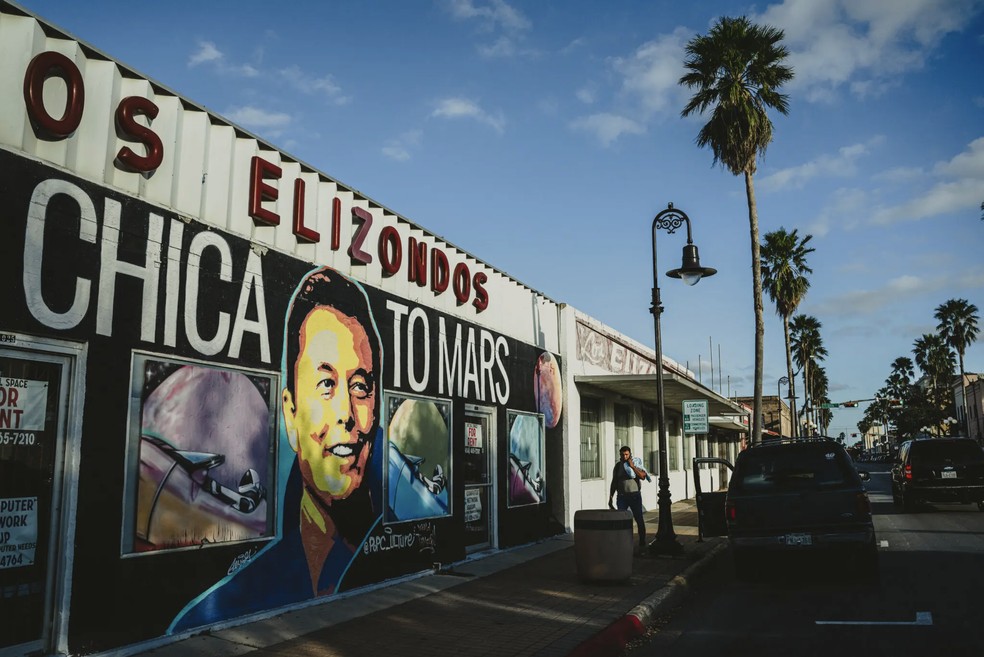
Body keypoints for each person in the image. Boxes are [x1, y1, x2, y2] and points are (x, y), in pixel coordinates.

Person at [170, 266, 384, 631]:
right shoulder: (229, 602)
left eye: (360, 387)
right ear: (290, 414)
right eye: (326, 384)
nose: (347, 414)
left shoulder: (385, 546)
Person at [608, 446, 648, 554]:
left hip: (634, 496)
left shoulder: (635, 463)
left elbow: (643, 476)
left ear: (630, 454)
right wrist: (610, 497)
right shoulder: (618, 466)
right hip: (622, 496)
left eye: (626, 454)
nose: (624, 456)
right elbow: (614, 482)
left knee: (638, 518)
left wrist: (633, 467)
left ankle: (642, 541)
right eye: (622, 454)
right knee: (621, 520)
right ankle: (623, 542)